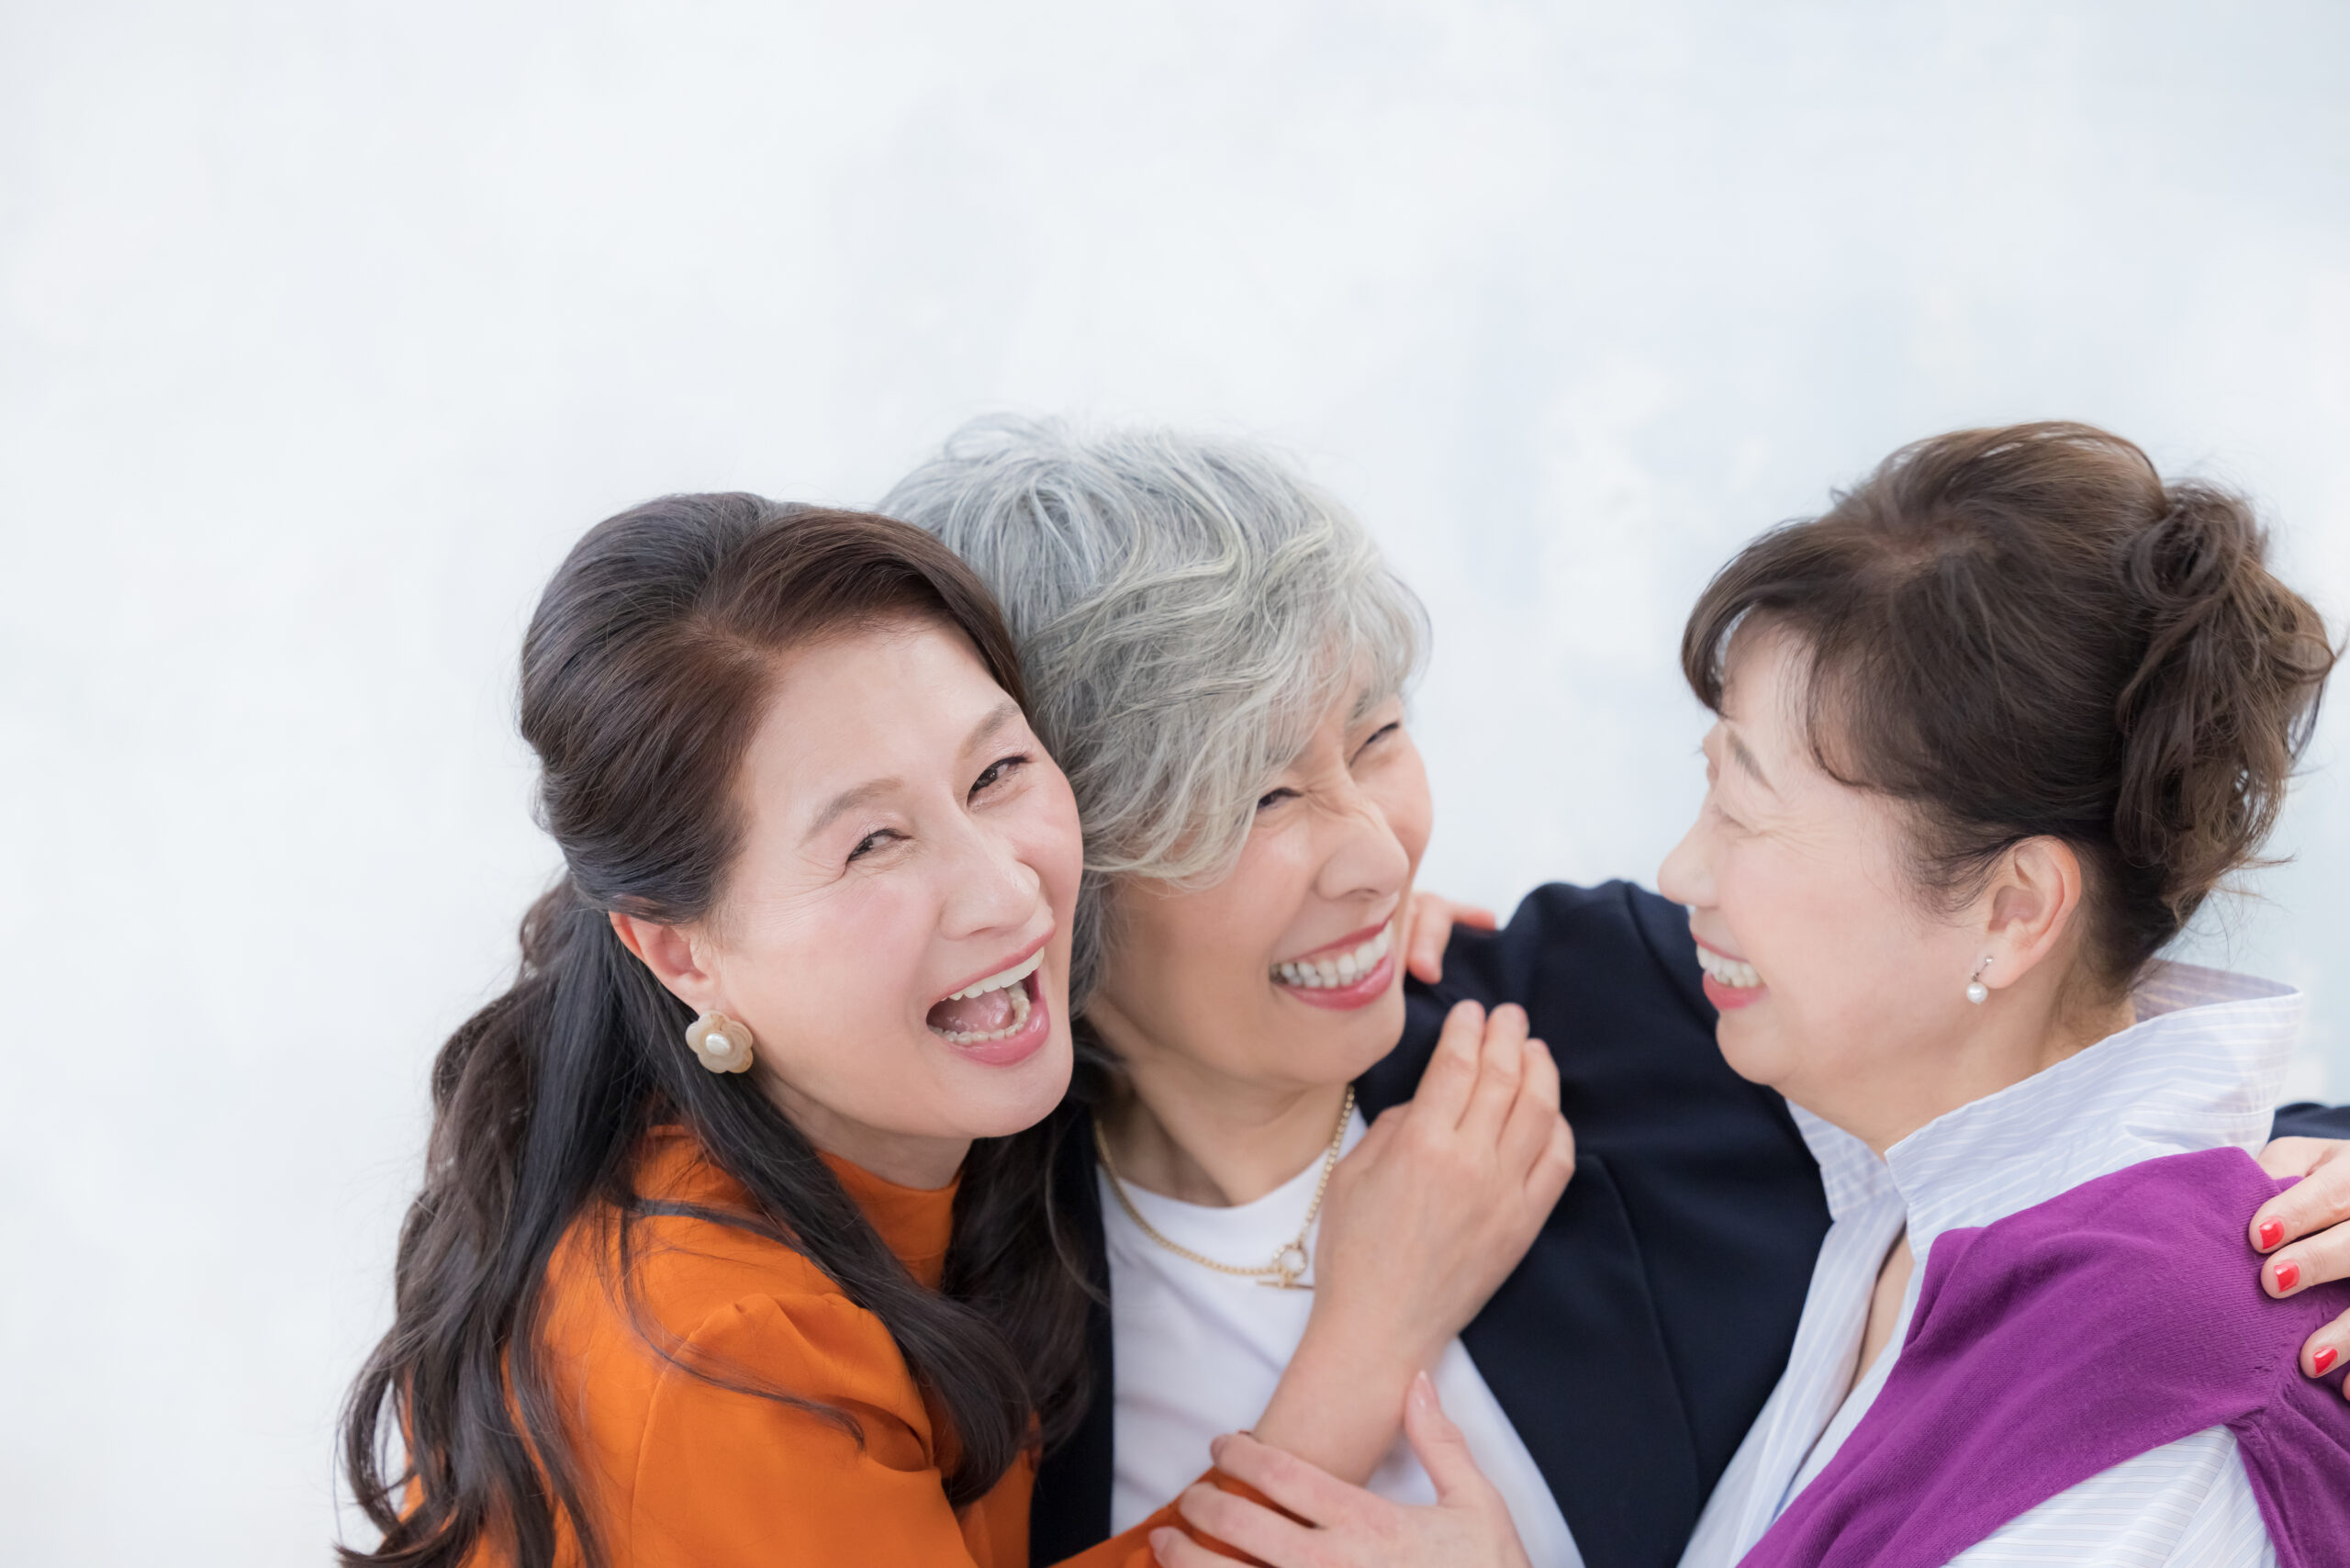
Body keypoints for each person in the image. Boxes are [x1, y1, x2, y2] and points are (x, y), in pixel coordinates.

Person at [879, 419, 2350, 1568]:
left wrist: (2306, 1195)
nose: (1375, 852)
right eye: (1259, 798)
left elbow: (2039, 1080)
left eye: (1378, 736)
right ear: (1057, 861)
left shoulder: (1633, 1011)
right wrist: (1359, 1349)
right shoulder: (943, 1278)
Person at [335, 496, 1563, 1568]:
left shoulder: (919, 1113)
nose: (1003, 891)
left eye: (996, 775)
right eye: (873, 843)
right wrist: (1371, 1339)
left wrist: (1334, 918)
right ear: (681, 953)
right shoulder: (706, 1339)